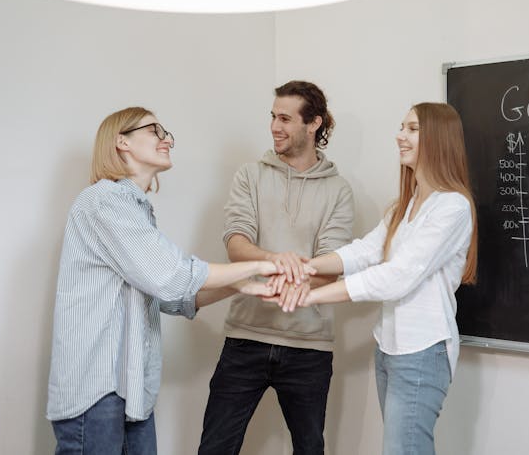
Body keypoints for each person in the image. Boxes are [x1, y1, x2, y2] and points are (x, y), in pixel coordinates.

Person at [46, 107, 288, 455]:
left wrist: (238, 286)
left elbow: (170, 297)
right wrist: (262, 263)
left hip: (131, 391)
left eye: (167, 133)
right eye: (155, 130)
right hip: (95, 391)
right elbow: (172, 275)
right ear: (122, 142)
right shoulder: (104, 201)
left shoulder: (135, 209)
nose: (167, 139)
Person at [274, 102, 478, 455]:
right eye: (402, 127)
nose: (400, 136)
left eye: (412, 128)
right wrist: (308, 268)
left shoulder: (452, 207)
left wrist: (311, 296)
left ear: (439, 138)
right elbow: (364, 251)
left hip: (422, 351)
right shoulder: (407, 204)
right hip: (389, 348)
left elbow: (398, 277)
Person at [198, 81, 354, 455]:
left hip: (309, 347)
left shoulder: (339, 190)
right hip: (244, 339)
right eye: (272, 116)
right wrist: (275, 259)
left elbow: (331, 267)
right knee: (215, 448)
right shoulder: (250, 175)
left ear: (313, 123)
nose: (274, 126)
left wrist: (274, 270)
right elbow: (237, 245)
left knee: (309, 449)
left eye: (285, 118)